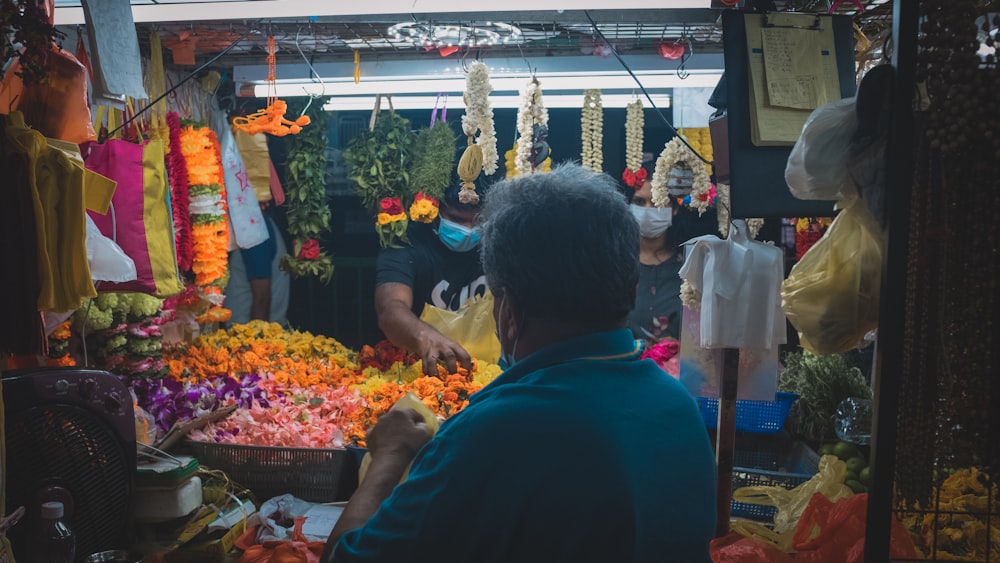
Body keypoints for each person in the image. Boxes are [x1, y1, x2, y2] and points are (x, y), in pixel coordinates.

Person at [322, 164, 718, 563]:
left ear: (508, 311)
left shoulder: (491, 433)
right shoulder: (679, 408)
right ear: (630, 290)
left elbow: (343, 557)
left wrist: (388, 459)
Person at [374, 180, 490, 376]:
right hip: (418, 367)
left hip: (489, 368)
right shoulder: (408, 243)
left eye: (477, 221)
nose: (469, 229)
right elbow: (390, 307)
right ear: (436, 209)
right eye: (457, 219)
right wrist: (424, 337)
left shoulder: (496, 241)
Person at [624, 168, 684, 343]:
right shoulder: (617, 264)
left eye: (657, 202)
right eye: (639, 202)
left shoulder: (689, 267)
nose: (648, 210)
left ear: (674, 208)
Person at [225, 211, 290, 326]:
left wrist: (256, 340)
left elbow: (262, 298)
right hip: (244, 333)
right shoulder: (256, 225)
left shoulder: (254, 229)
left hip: (248, 335)